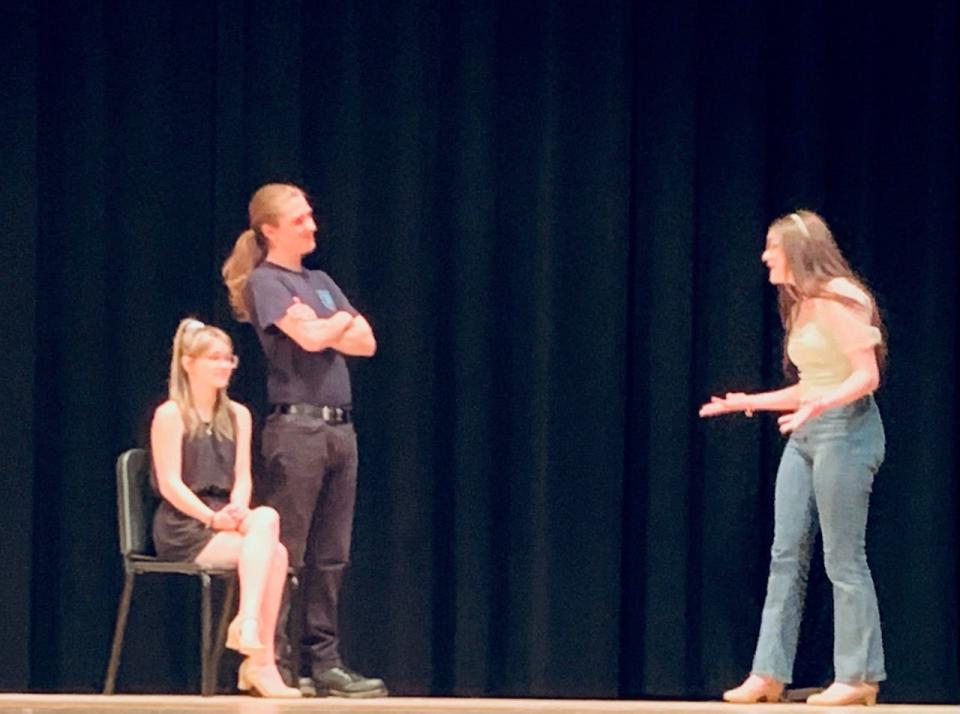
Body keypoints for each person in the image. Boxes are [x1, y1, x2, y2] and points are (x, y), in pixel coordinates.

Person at [700, 210, 887, 707]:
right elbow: (811, 383)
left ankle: (858, 676)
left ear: (797, 253)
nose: (764, 257)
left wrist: (822, 403)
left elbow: (866, 376)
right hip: (808, 432)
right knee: (785, 555)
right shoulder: (800, 305)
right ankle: (768, 673)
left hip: (847, 433)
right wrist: (749, 402)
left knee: (843, 558)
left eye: (771, 248)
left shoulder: (838, 300)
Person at [221, 183, 386, 698]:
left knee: (332, 552)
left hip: (340, 429)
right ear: (270, 230)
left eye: (310, 216)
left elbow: (367, 341)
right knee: (284, 552)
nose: (311, 225)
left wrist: (327, 323)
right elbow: (315, 339)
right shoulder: (267, 281)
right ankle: (273, 659)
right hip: (296, 429)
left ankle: (325, 659)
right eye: (298, 219)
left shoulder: (317, 281)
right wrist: (337, 323)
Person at [151, 318, 300, 698]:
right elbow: (170, 483)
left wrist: (236, 507)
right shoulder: (171, 415)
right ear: (189, 363)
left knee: (267, 517)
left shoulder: (238, 415)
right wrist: (211, 518)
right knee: (276, 555)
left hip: (226, 512)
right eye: (213, 358)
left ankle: (247, 624)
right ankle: (260, 662)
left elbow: (243, 477)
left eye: (228, 359)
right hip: (186, 523)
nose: (223, 366)